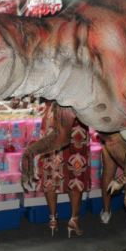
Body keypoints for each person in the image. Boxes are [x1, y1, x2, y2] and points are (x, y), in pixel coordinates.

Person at [22, 100, 90, 237]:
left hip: (54, 119)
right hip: (77, 120)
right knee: (76, 172)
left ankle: (53, 219)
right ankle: (73, 220)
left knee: (51, 171)